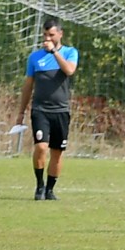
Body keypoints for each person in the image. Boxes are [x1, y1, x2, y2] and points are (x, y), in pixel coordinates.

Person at [14, 21, 79, 200]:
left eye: (51, 35)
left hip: (61, 111)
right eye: (45, 35)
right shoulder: (35, 58)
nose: (47, 38)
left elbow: (69, 70)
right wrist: (21, 111)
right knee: (41, 147)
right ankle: (39, 186)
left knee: (57, 153)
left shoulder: (69, 53)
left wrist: (54, 52)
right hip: (40, 109)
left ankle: (50, 190)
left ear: (60, 34)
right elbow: (28, 85)